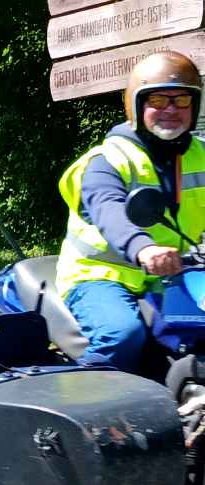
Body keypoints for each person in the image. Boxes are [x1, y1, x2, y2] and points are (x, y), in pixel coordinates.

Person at [56, 51, 205, 372]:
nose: (170, 109)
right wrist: (144, 248)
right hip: (98, 276)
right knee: (122, 334)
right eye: (157, 100)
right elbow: (108, 209)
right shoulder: (107, 160)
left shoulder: (200, 155)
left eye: (181, 101)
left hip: (172, 275)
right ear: (137, 106)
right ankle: (90, 409)